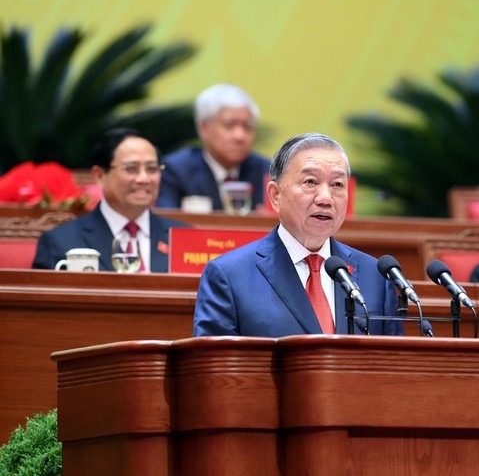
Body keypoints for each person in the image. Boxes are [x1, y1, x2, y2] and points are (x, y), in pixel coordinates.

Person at [193, 132, 403, 337]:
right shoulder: (229, 275)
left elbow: (393, 359)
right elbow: (213, 360)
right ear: (275, 195)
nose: (325, 198)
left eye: (337, 185)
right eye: (310, 182)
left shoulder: (376, 277)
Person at [33, 128, 190, 272]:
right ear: (100, 176)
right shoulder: (60, 242)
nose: (143, 179)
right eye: (131, 169)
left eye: (152, 169)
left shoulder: (185, 238)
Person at [156, 83, 270, 211]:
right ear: (204, 128)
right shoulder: (175, 171)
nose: (240, 136)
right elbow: (165, 219)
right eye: (229, 125)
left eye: (247, 126)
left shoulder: (268, 173)